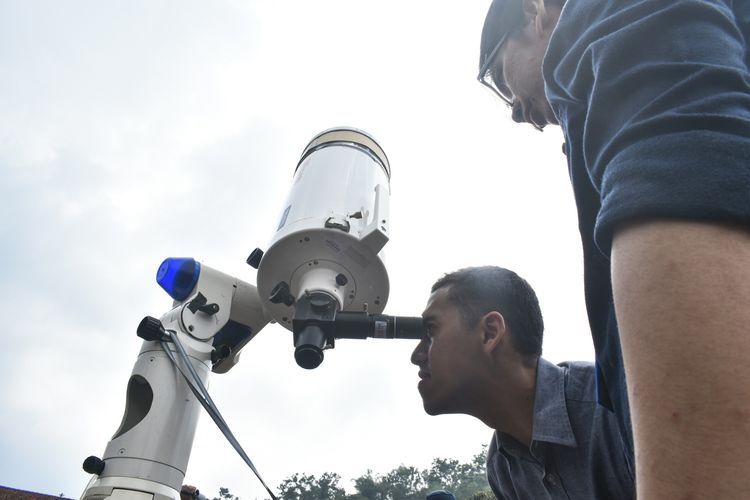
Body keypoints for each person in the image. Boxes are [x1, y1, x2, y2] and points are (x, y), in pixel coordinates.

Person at [477, 0, 750, 498]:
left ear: (535, 10)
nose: (515, 110)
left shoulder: (612, 14)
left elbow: (688, 177)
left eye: (499, 75)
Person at [411, 266, 634, 499]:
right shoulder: (502, 468)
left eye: (431, 331)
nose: (416, 356)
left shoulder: (615, 410)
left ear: (490, 333)